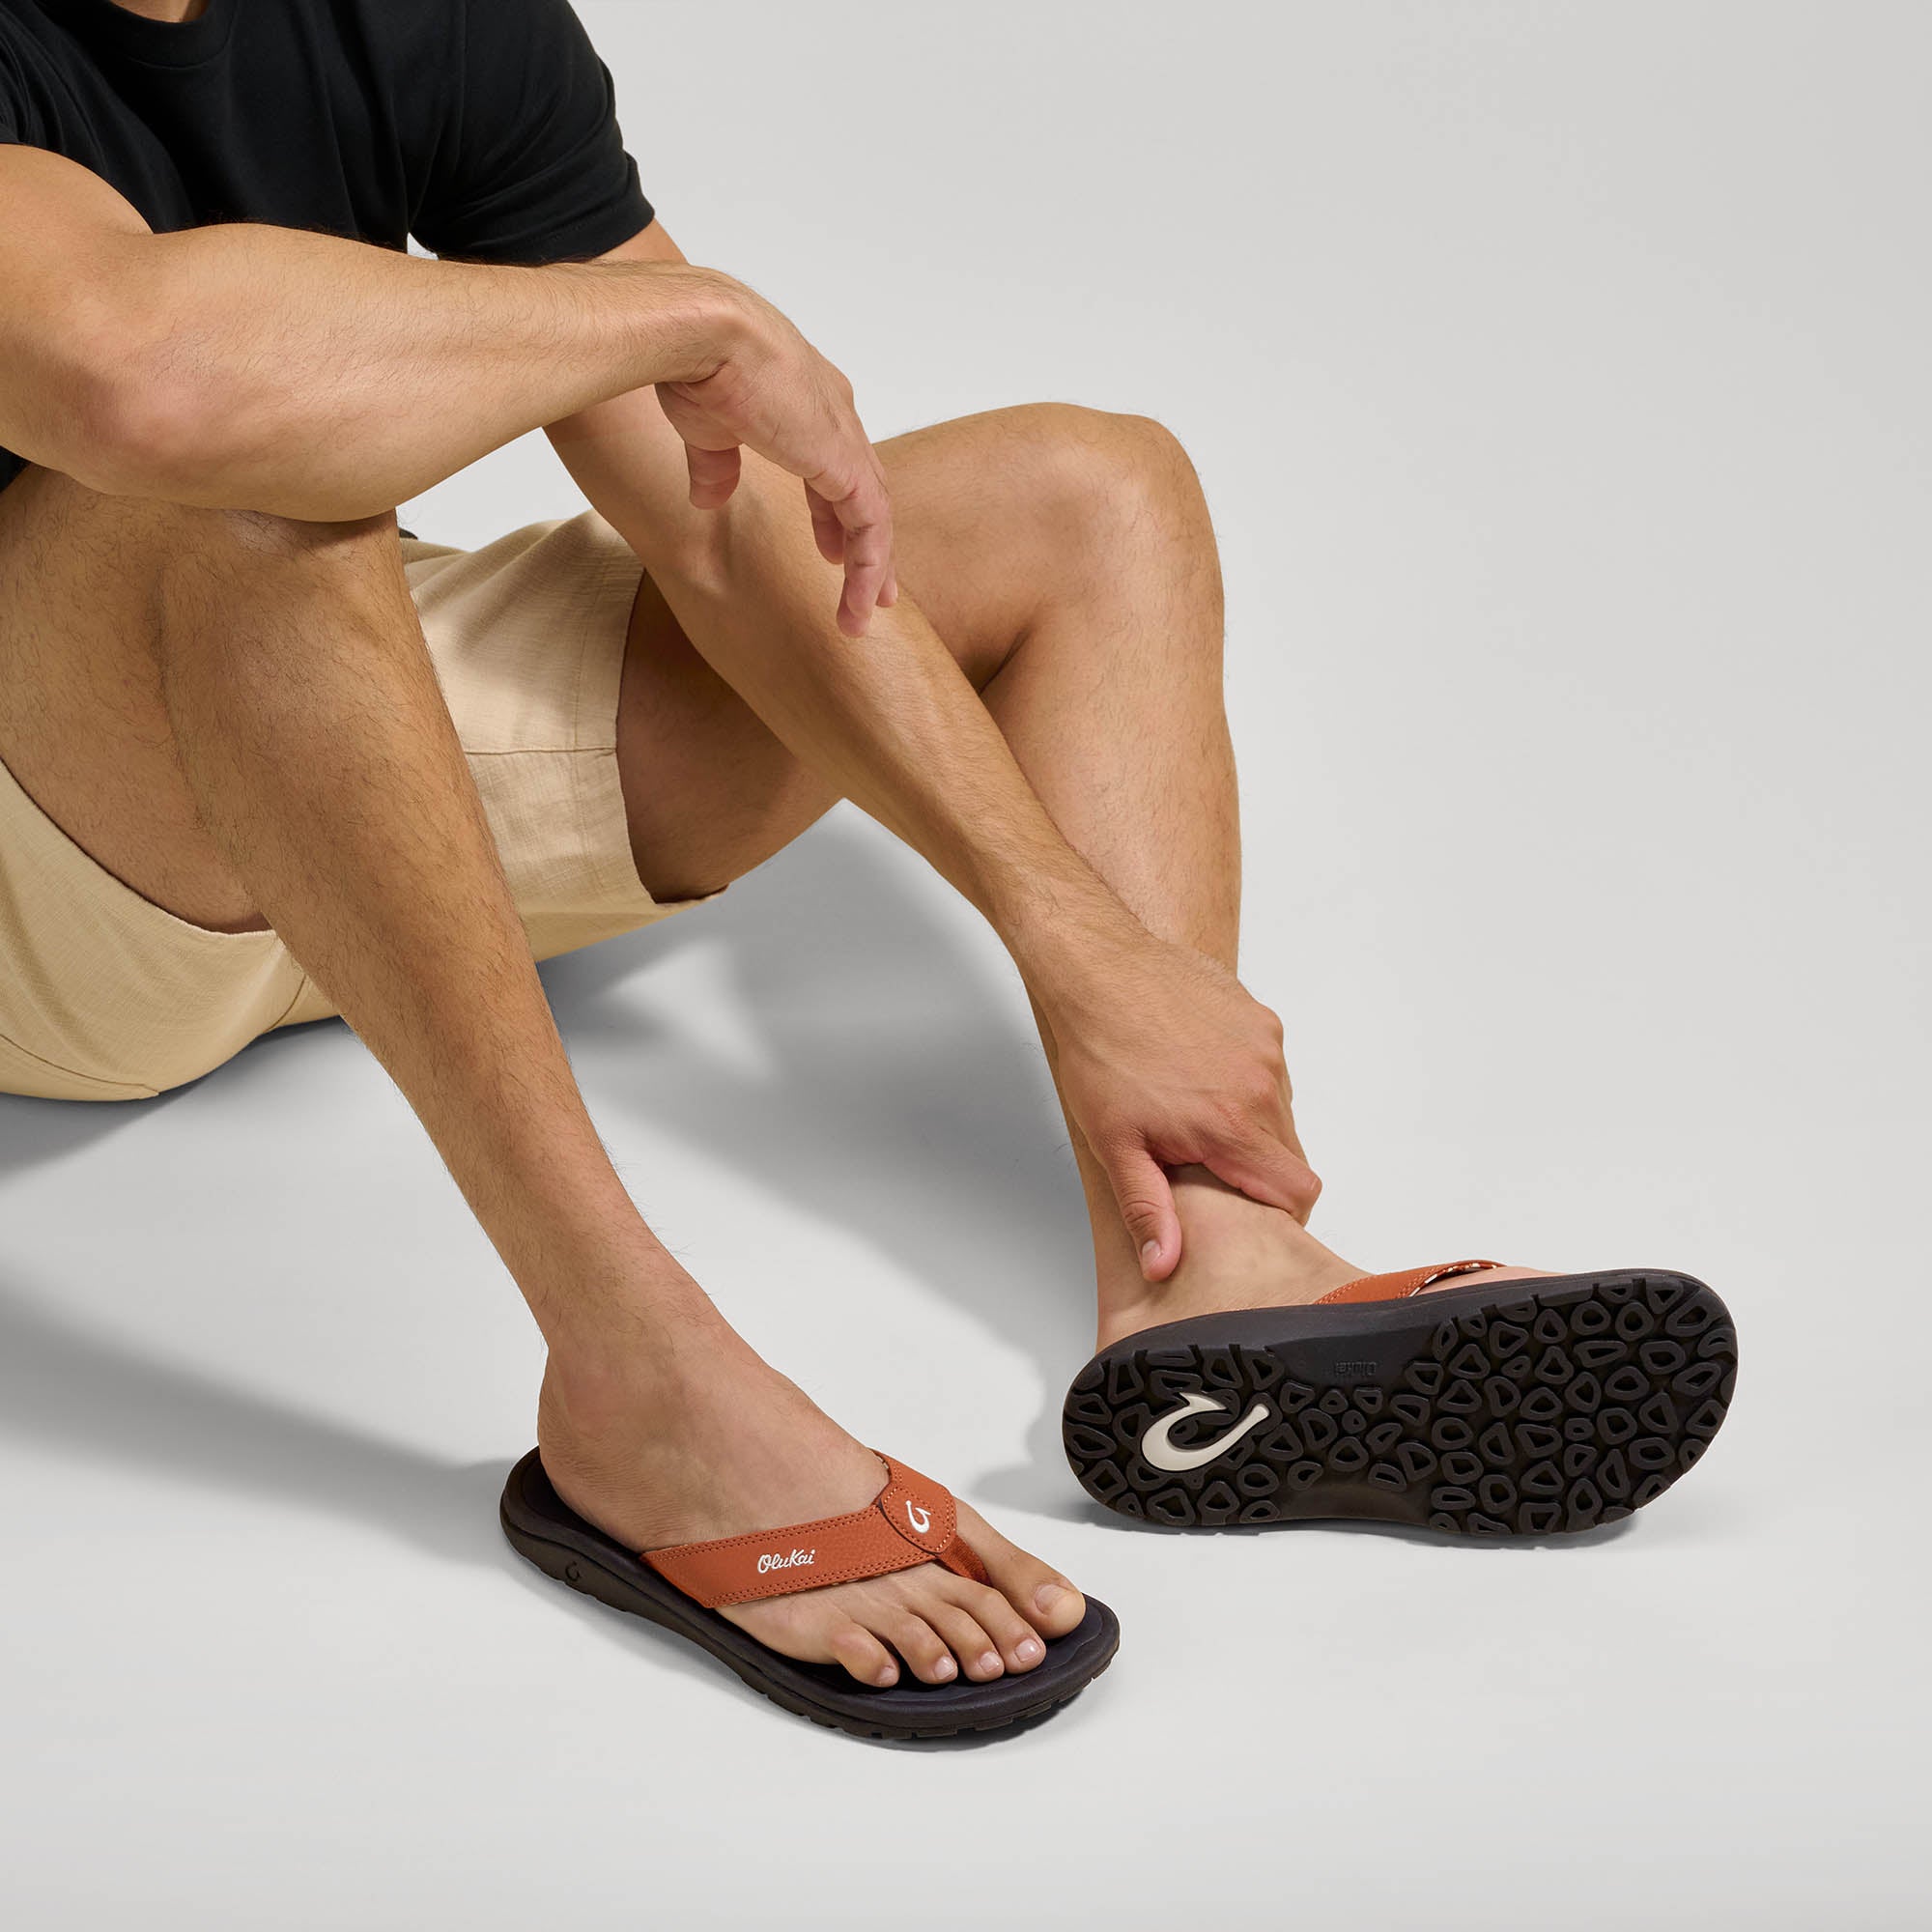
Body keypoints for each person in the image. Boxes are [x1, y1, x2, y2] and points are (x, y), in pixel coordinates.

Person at [0, 0, 1735, 1740]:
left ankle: (1210, 1264)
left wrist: (1072, 935)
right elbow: (141, 375)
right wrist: (686, 313)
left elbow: (715, 509)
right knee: (232, 480)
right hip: (52, 854)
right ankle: (637, 1378)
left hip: (307, 723)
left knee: (1093, 491)